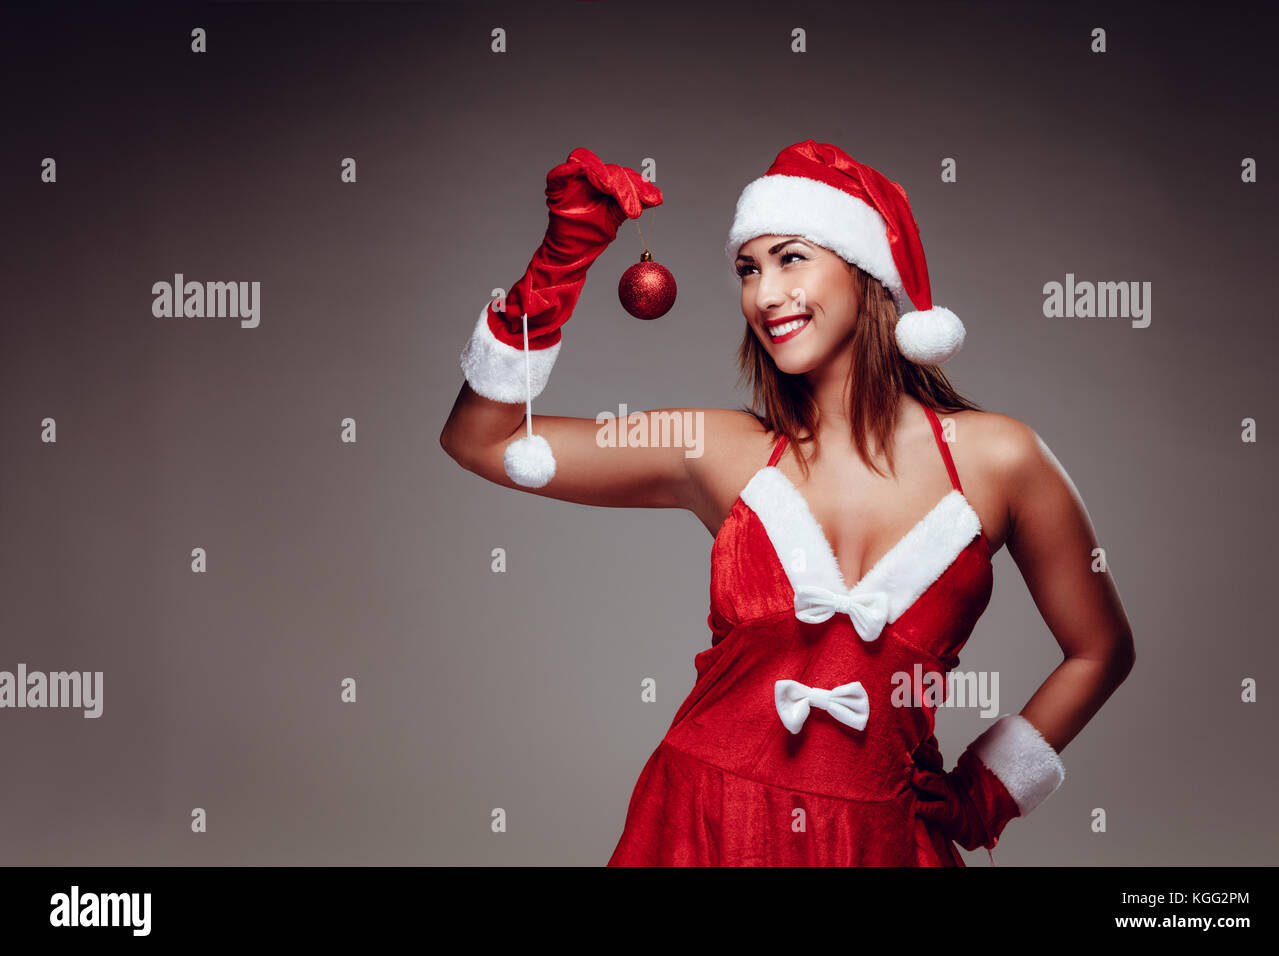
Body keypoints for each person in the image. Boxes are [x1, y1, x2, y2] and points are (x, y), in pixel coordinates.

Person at [441, 141, 1136, 866]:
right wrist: (561, 260)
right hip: (703, 819)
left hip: (881, 837)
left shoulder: (999, 458)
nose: (765, 294)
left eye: (791, 258)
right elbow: (481, 439)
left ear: (865, 270)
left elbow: (1101, 649)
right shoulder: (716, 450)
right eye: (748, 269)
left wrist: (984, 792)